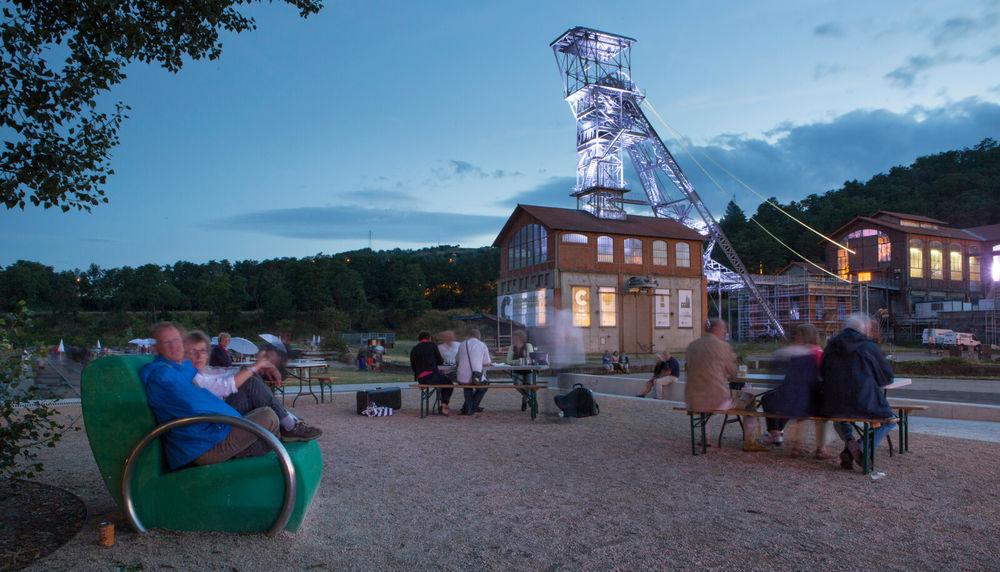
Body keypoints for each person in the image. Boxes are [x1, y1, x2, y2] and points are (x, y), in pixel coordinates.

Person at [140, 322, 280, 470]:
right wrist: (237, 420)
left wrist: (251, 369)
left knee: (261, 410)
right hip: (201, 448)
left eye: (177, 340)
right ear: (156, 348)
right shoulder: (165, 378)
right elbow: (198, 402)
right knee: (268, 417)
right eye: (167, 342)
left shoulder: (174, 370)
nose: (175, 346)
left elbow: (209, 380)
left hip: (205, 435)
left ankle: (282, 433)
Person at [183, 331, 321, 442]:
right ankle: (290, 426)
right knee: (250, 383)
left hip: (221, 412)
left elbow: (228, 372)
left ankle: (287, 421)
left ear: (207, 353)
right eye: (192, 351)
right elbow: (225, 386)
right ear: (183, 355)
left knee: (251, 377)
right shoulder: (192, 377)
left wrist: (257, 367)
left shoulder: (205, 371)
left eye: (202, 351)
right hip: (216, 421)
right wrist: (258, 365)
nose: (199, 356)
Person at [821, 313, 897, 470]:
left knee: (840, 418)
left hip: (833, 404)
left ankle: (849, 442)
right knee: (890, 420)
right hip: (864, 403)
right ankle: (860, 447)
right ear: (864, 329)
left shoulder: (830, 346)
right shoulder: (868, 346)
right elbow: (886, 378)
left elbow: (822, 373)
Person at [684, 319, 765, 452]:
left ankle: (705, 438)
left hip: (693, 399)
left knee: (705, 404)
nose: (726, 332)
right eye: (724, 330)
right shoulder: (722, 346)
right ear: (717, 330)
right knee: (750, 399)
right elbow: (733, 373)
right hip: (716, 399)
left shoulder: (692, 345)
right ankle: (750, 441)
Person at [758, 324, 832, 459]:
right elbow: (821, 376)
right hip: (811, 396)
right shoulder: (817, 352)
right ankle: (821, 448)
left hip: (797, 397)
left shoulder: (797, 351)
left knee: (772, 400)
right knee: (821, 415)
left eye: (800, 334)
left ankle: (793, 445)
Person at [410, 331, 454, 416]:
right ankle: (444, 405)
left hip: (421, 379)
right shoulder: (432, 345)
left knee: (442, 381)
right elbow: (440, 361)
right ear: (429, 338)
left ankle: (442, 404)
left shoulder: (414, 349)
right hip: (432, 375)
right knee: (449, 383)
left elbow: (413, 367)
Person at [456, 329, 491, 415]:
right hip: (475, 376)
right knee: (484, 385)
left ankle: (468, 408)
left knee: (467, 387)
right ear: (479, 337)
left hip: (461, 377)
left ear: (469, 336)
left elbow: (457, 361)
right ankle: (473, 407)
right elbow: (487, 363)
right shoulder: (482, 345)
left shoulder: (462, 344)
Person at [506, 330, 534, 411]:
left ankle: (525, 400)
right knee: (517, 384)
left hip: (529, 371)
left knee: (530, 385)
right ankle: (529, 398)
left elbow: (530, 359)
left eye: (514, 338)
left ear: (520, 338)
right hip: (517, 371)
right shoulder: (512, 347)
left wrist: (516, 362)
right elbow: (508, 361)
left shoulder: (528, 346)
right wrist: (521, 361)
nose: (512, 340)